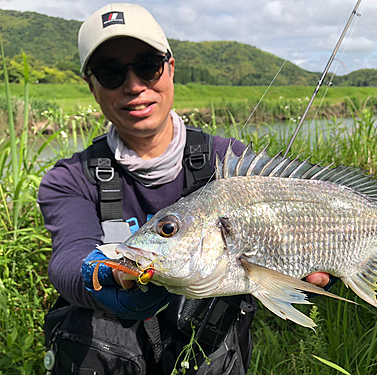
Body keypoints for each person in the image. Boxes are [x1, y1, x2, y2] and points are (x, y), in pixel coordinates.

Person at [38, 3, 333, 374]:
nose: (134, 86)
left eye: (148, 65)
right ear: (92, 86)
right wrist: (97, 274)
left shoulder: (231, 162)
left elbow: (313, 220)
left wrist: (328, 245)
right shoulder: (69, 178)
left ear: (170, 68)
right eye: (111, 73)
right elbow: (68, 255)